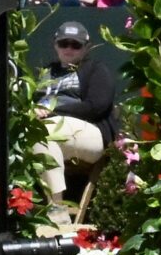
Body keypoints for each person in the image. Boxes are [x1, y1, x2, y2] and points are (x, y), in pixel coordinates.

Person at [39, 20, 117, 207]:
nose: (69, 48)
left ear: (86, 47)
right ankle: (48, 209)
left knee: (42, 131)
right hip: (48, 130)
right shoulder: (46, 72)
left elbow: (97, 106)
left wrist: (52, 110)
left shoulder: (95, 69)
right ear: (55, 44)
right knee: (36, 136)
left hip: (90, 133)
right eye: (64, 43)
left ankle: (56, 208)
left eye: (75, 44)